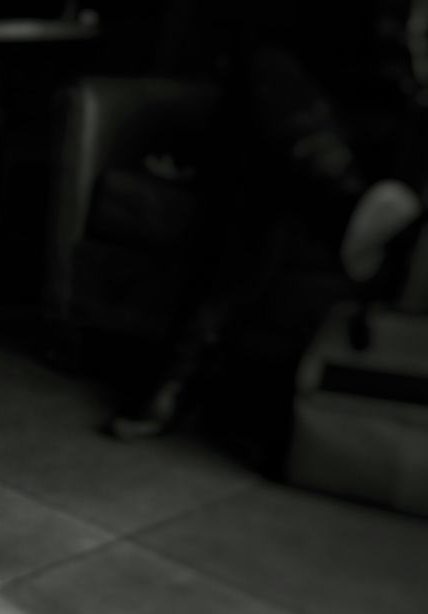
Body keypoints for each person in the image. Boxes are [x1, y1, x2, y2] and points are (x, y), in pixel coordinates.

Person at [109, 0, 428, 439]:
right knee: (264, 97)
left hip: (398, 148)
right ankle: (346, 210)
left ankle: (178, 376)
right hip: (320, 136)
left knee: (258, 165)